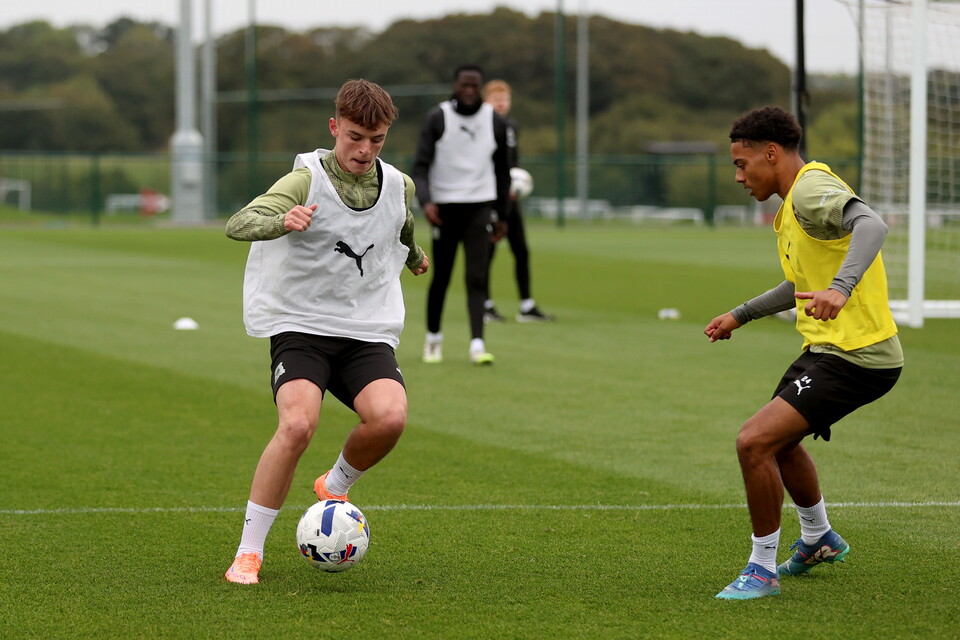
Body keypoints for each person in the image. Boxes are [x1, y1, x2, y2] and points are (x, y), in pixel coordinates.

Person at [222, 79, 429, 585]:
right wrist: (281, 221)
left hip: (365, 329)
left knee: (390, 419)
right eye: (355, 136)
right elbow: (239, 221)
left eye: (376, 139)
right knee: (297, 426)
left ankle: (334, 486)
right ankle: (249, 553)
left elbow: (401, 227)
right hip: (302, 325)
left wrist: (417, 255)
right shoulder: (305, 179)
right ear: (335, 127)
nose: (364, 149)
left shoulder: (400, 184)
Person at [706, 106, 903, 600]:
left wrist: (840, 288)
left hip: (858, 356)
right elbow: (798, 283)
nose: (737, 176)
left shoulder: (812, 190)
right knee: (780, 443)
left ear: (771, 153)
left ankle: (761, 569)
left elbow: (872, 225)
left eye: (742, 163)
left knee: (753, 442)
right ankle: (818, 539)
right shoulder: (796, 200)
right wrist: (741, 314)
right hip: (827, 349)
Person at [412, 64, 511, 365]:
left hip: (479, 207)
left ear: (480, 88)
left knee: (477, 277)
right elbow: (420, 166)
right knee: (441, 276)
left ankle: (477, 344)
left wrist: (502, 215)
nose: (469, 91)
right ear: (455, 85)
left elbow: (503, 171)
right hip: (444, 209)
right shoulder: (438, 118)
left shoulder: (494, 120)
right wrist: (426, 201)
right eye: (464, 85)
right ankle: (433, 339)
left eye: (474, 86)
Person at [481, 79, 554, 324]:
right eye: (496, 100)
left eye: (505, 100)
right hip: (490, 198)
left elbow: (511, 162)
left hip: (510, 198)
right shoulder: (482, 126)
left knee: (521, 250)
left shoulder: (511, 126)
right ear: (486, 102)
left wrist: (515, 184)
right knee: (486, 252)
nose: (502, 104)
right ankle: (485, 304)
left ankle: (527, 306)